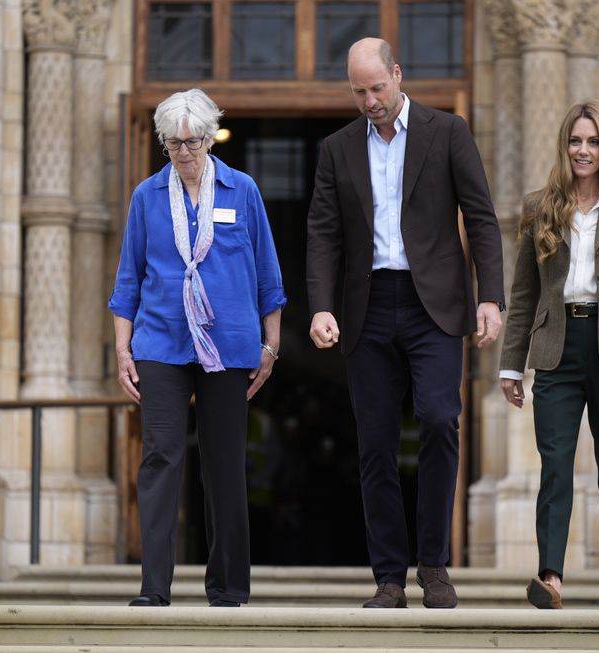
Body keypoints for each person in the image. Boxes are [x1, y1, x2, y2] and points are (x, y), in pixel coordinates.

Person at [306, 37, 505, 609]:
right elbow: (322, 234)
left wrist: (488, 297)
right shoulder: (337, 149)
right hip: (367, 306)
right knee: (375, 444)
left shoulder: (448, 132)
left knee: (442, 422)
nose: (370, 100)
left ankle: (434, 566)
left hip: (435, 305)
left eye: (377, 87)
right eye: (359, 91)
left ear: (397, 73)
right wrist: (321, 306)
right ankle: (389, 577)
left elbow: (482, 218)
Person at [109, 88, 286, 608]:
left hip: (229, 344)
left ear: (209, 138)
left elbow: (268, 274)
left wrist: (271, 344)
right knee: (160, 457)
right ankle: (154, 586)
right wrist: (123, 351)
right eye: (172, 143)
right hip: (160, 341)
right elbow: (128, 280)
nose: (182, 152)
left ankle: (228, 587)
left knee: (224, 461)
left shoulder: (242, 190)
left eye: (191, 141)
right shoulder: (146, 196)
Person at [498, 101, 599, 611]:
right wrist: (509, 364)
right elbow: (522, 294)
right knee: (556, 464)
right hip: (556, 348)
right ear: (564, 147)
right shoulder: (540, 206)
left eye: (592, 142)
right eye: (575, 141)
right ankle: (551, 576)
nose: (583, 151)